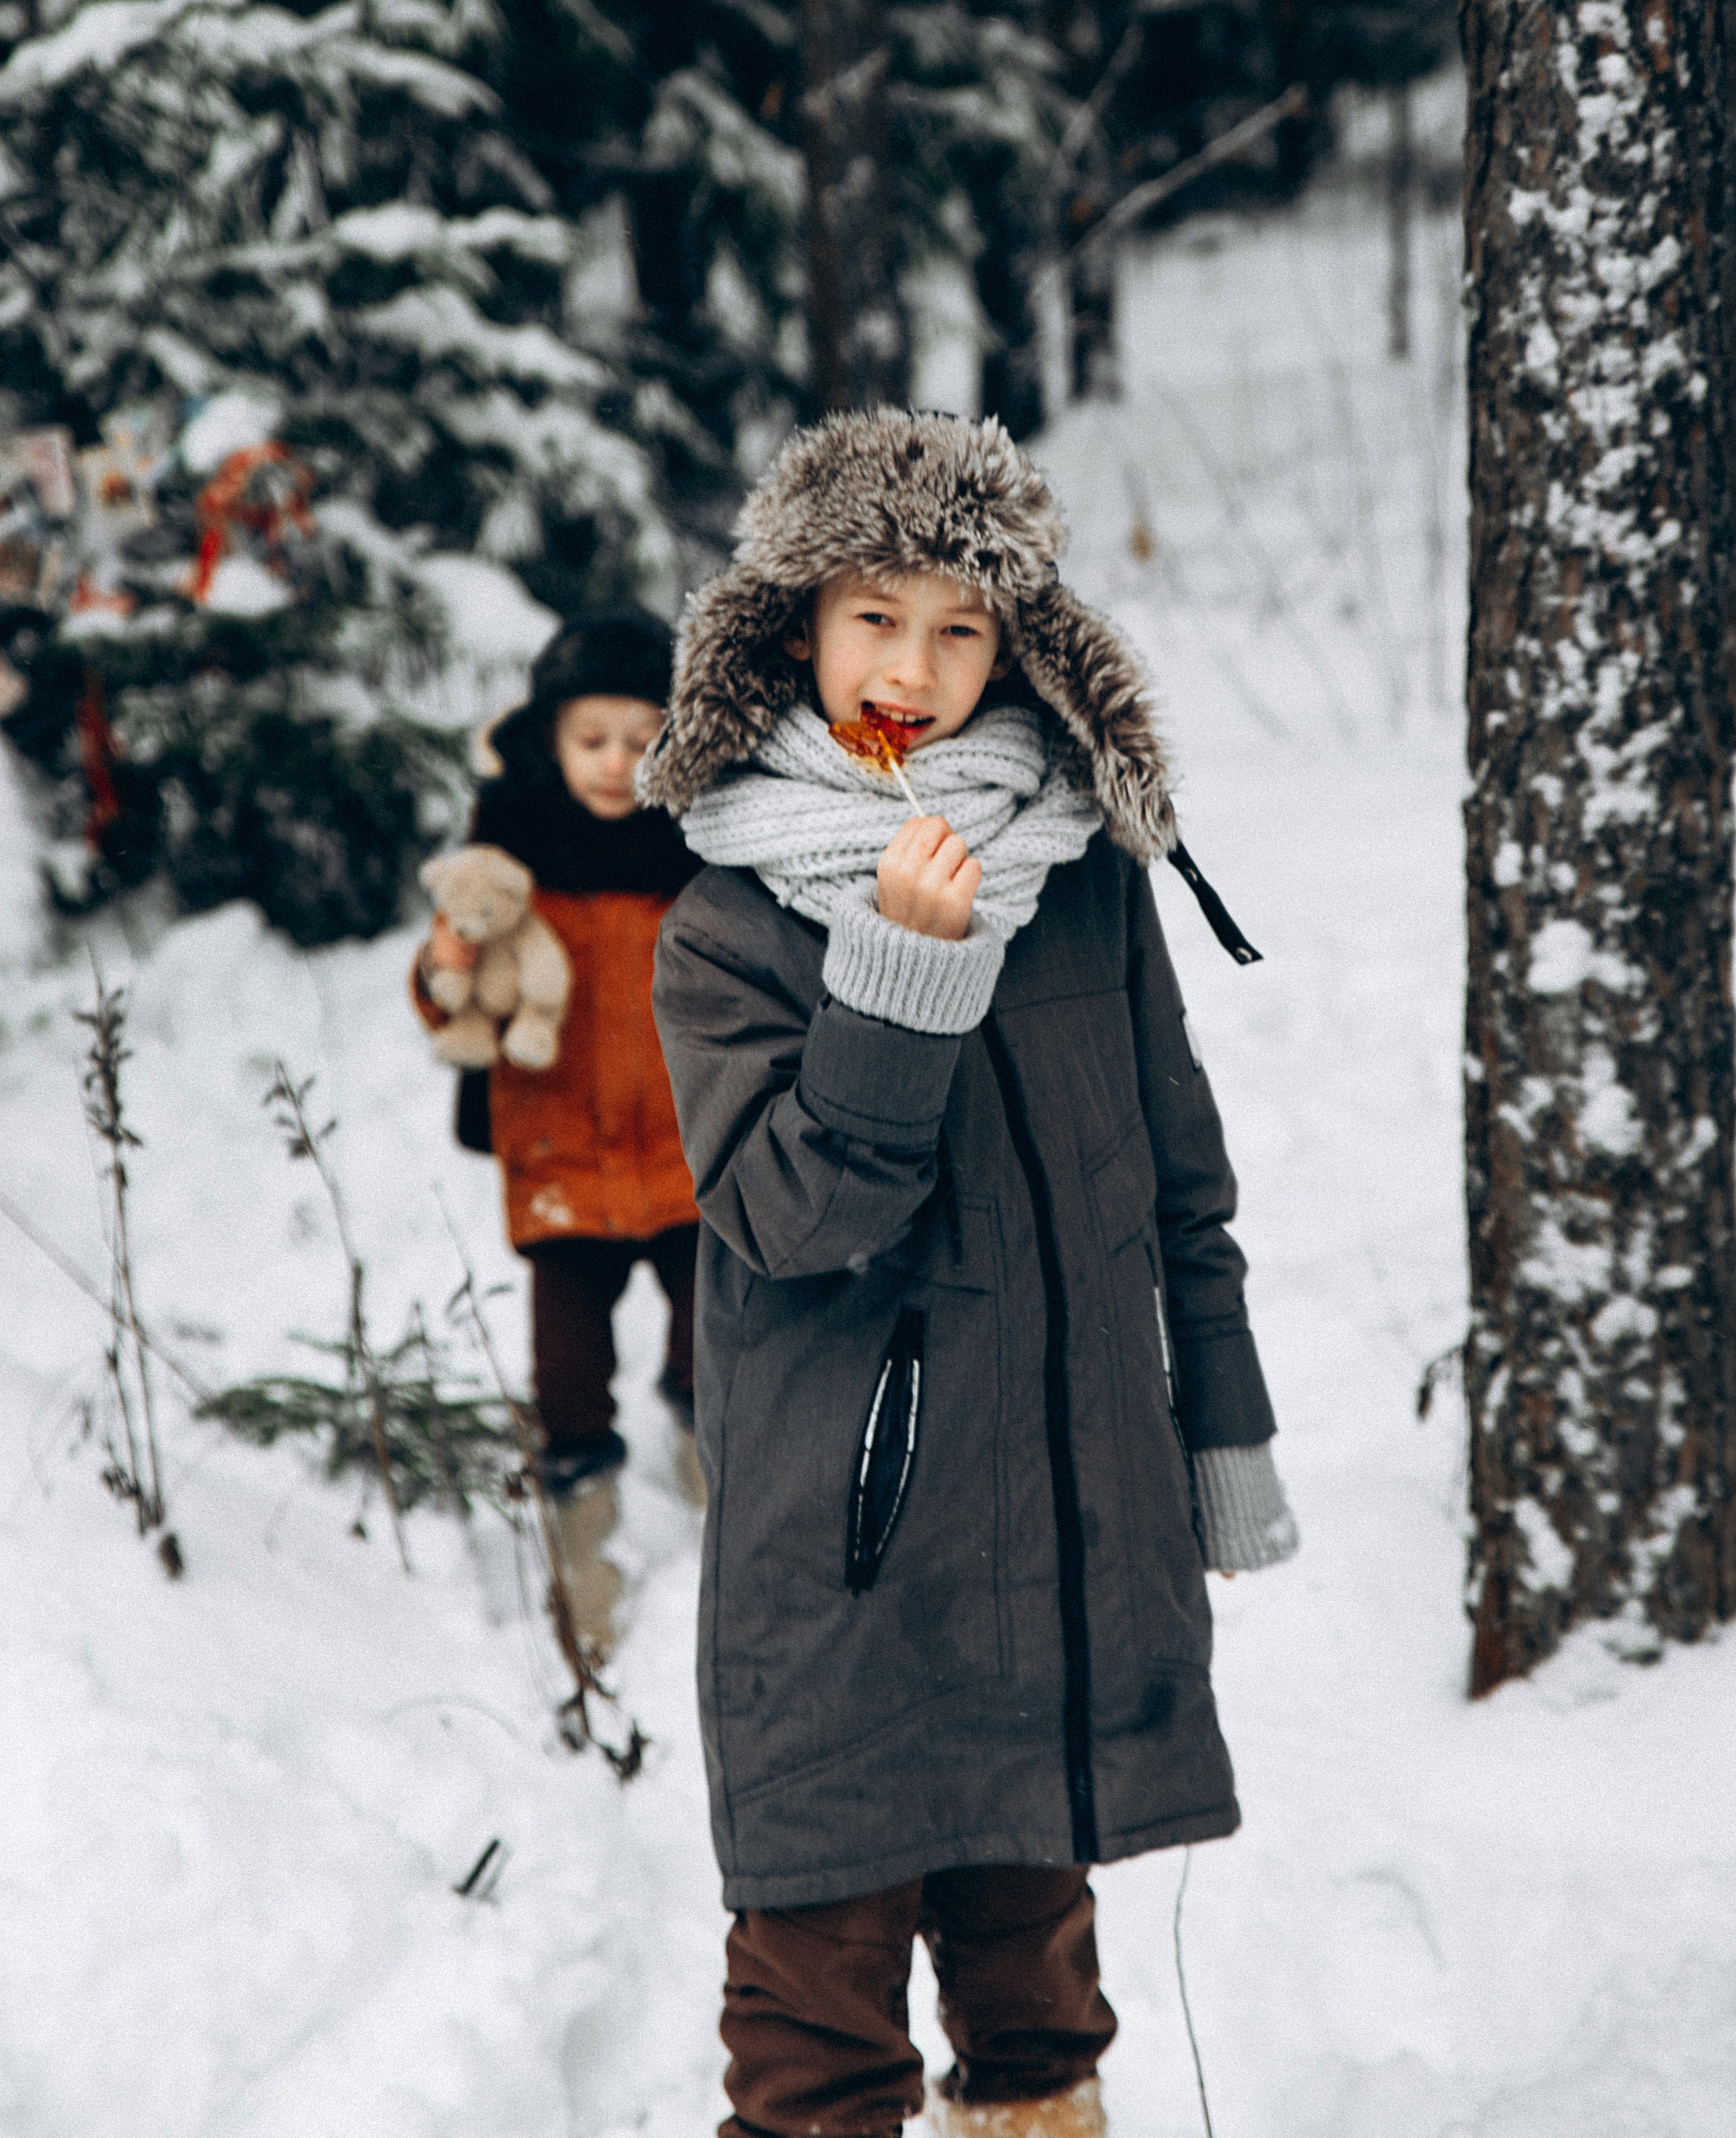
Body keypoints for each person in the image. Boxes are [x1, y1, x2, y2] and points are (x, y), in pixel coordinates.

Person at [642, 412, 1297, 2138]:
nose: (912, 670)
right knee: (815, 2032)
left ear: (1017, 647)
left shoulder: (1080, 883)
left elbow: (1179, 1188)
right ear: (794, 628)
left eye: (960, 628)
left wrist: (1219, 1438)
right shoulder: (728, 924)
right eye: (873, 617)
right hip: (842, 1563)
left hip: (1059, 1529)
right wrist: (896, 977)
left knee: (1037, 2004)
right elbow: (792, 1221)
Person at [414, 607, 703, 1504]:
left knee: (718, 1329)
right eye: (592, 741)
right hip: (561, 1157)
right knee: (568, 1365)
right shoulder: (510, 862)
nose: (617, 763)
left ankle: (707, 1423)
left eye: (642, 742)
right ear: (551, 743)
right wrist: (442, 967)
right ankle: (580, 1480)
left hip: (688, 1152)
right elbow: (448, 995)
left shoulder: (699, 856)